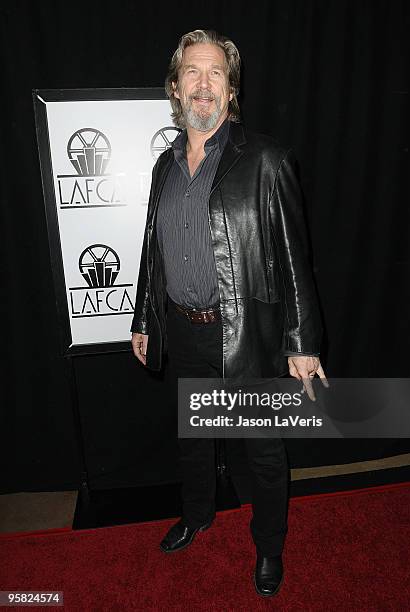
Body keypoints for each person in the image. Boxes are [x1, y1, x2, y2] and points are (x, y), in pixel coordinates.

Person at [131, 29, 327, 598]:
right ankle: (197, 515)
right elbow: (152, 247)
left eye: (216, 73)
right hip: (183, 329)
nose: (203, 84)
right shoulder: (164, 167)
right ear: (175, 87)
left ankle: (269, 546)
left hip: (244, 335)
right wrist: (145, 318)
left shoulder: (265, 159)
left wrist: (302, 342)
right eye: (193, 72)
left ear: (231, 90)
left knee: (260, 450)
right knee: (193, 436)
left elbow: (297, 258)